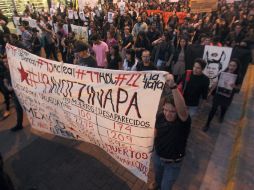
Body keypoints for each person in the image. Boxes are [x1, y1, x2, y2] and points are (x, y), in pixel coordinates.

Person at [153, 73, 191, 190]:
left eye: (172, 111)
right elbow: (155, 132)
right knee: (158, 180)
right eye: (166, 110)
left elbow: (182, 110)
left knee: (166, 187)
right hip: (157, 157)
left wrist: (173, 86)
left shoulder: (182, 122)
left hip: (173, 164)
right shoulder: (160, 116)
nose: (168, 114)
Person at [203, 59, 241, 132]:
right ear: (228, 65)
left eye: (234, 66)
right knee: (213, 109)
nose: (231, 67)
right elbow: (216, 82)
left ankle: (222, 116)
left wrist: (235, 86)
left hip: (227, 95)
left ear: (237, 67)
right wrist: (210, 92)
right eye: (230, 65)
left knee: (224, 107)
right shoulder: (223, 73)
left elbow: (239, 87)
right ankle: (207, 124)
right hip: (218, 94)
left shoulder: (238, 76)